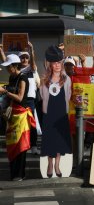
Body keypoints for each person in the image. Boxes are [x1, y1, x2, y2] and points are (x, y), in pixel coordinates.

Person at [0, 54, 35, 181]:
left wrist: (5, 92)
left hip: (21, 116)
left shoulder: (23, 78)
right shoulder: (11, 77)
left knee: (20, 145)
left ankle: (20, 174)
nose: (7, 69)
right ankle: (13, 173)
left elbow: (20, 98)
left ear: (14, 66)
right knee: (11, 144)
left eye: (8, 67)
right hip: (12, 116)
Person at [40, 45, 72, 178]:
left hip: (61, 113)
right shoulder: (44, 80)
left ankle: (57, 165)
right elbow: (42, 96)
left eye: (59, 62)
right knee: (49, 140)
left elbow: (68, 95)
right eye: (55, 63)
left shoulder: (67, 79)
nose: (57, 65)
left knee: (59, 140)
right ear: (50, 64)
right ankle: (49, 164)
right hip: (49, 113)